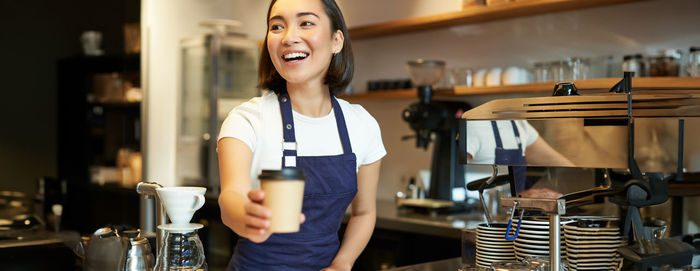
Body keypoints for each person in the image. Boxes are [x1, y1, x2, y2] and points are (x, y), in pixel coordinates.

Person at [216, 0, 386, 270]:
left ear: (336, 40)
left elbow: (364, 213)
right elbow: (230, 199)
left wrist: (343, 263)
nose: (289, 37)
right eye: (277, 26)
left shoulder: (362, 124)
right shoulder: (247, 119)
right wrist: (247, 217)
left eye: (306, 23)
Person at [466, 120, 573, 198]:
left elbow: (562, 164)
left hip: (517, 212)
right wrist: (518, 197)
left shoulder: (519, 124)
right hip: (491, 211)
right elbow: (461, 189)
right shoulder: (473, 125)